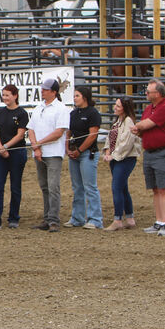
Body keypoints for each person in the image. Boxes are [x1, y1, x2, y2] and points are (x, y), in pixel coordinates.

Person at [132, 79, 165, 237]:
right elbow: (143, 127)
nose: (145, 94)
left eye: (148, 92)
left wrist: (136, 127)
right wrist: (139, 129)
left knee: (163, 189)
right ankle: (159, 221)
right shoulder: (149, 108)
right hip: (150, 152)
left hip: (163, 152)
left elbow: (146, 124)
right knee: (156, 189)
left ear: (157, 94)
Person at [28, 78, 70, 232]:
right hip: (40, 151)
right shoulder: (39, 107)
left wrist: (38, 144)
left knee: (53, 186)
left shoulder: (61, 109)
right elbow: (30, 128)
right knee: (44, 186)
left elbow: (59, 132)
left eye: (46, 89)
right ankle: (47, 217)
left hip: (53, 153)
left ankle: (53, 219)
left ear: (54, 92)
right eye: (43, 89)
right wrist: (35, 146)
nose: (43, 91)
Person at [0, 84, 29, 230]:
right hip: (1, 153)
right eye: (3, 95)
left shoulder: (22, 113)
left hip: (17, 152)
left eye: (7, 95)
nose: (5, 98)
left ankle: (13, 217)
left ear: (15, 96)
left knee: (15, 186)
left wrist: (7, 146)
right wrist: (0, 147)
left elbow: (20, 134)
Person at [64, 85, 104, 229]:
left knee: (90, 186)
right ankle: (77, 217)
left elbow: (92, 135)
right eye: (74, 96)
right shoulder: (73, 114)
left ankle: (95, 219)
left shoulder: (93, 113)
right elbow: (68, 133)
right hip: (75, 153)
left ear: (84, 98)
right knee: (77, 187)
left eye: (77, 96)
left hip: (87, 153)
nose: (74, 98)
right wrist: (68, 148)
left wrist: (80, 150)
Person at [102, 96, 142, 231]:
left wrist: (113, 155)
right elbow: (111, 138)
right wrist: (107, 152)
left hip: (126, 159)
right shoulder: (118, 121)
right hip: (116, 158)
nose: (115, 107)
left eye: (118, 106)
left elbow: (126, 144)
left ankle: (118, 219)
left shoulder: (129, 122)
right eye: (115, 105)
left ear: (124, 108)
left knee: (116, 187)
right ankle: (130, 219)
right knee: (122, 187)